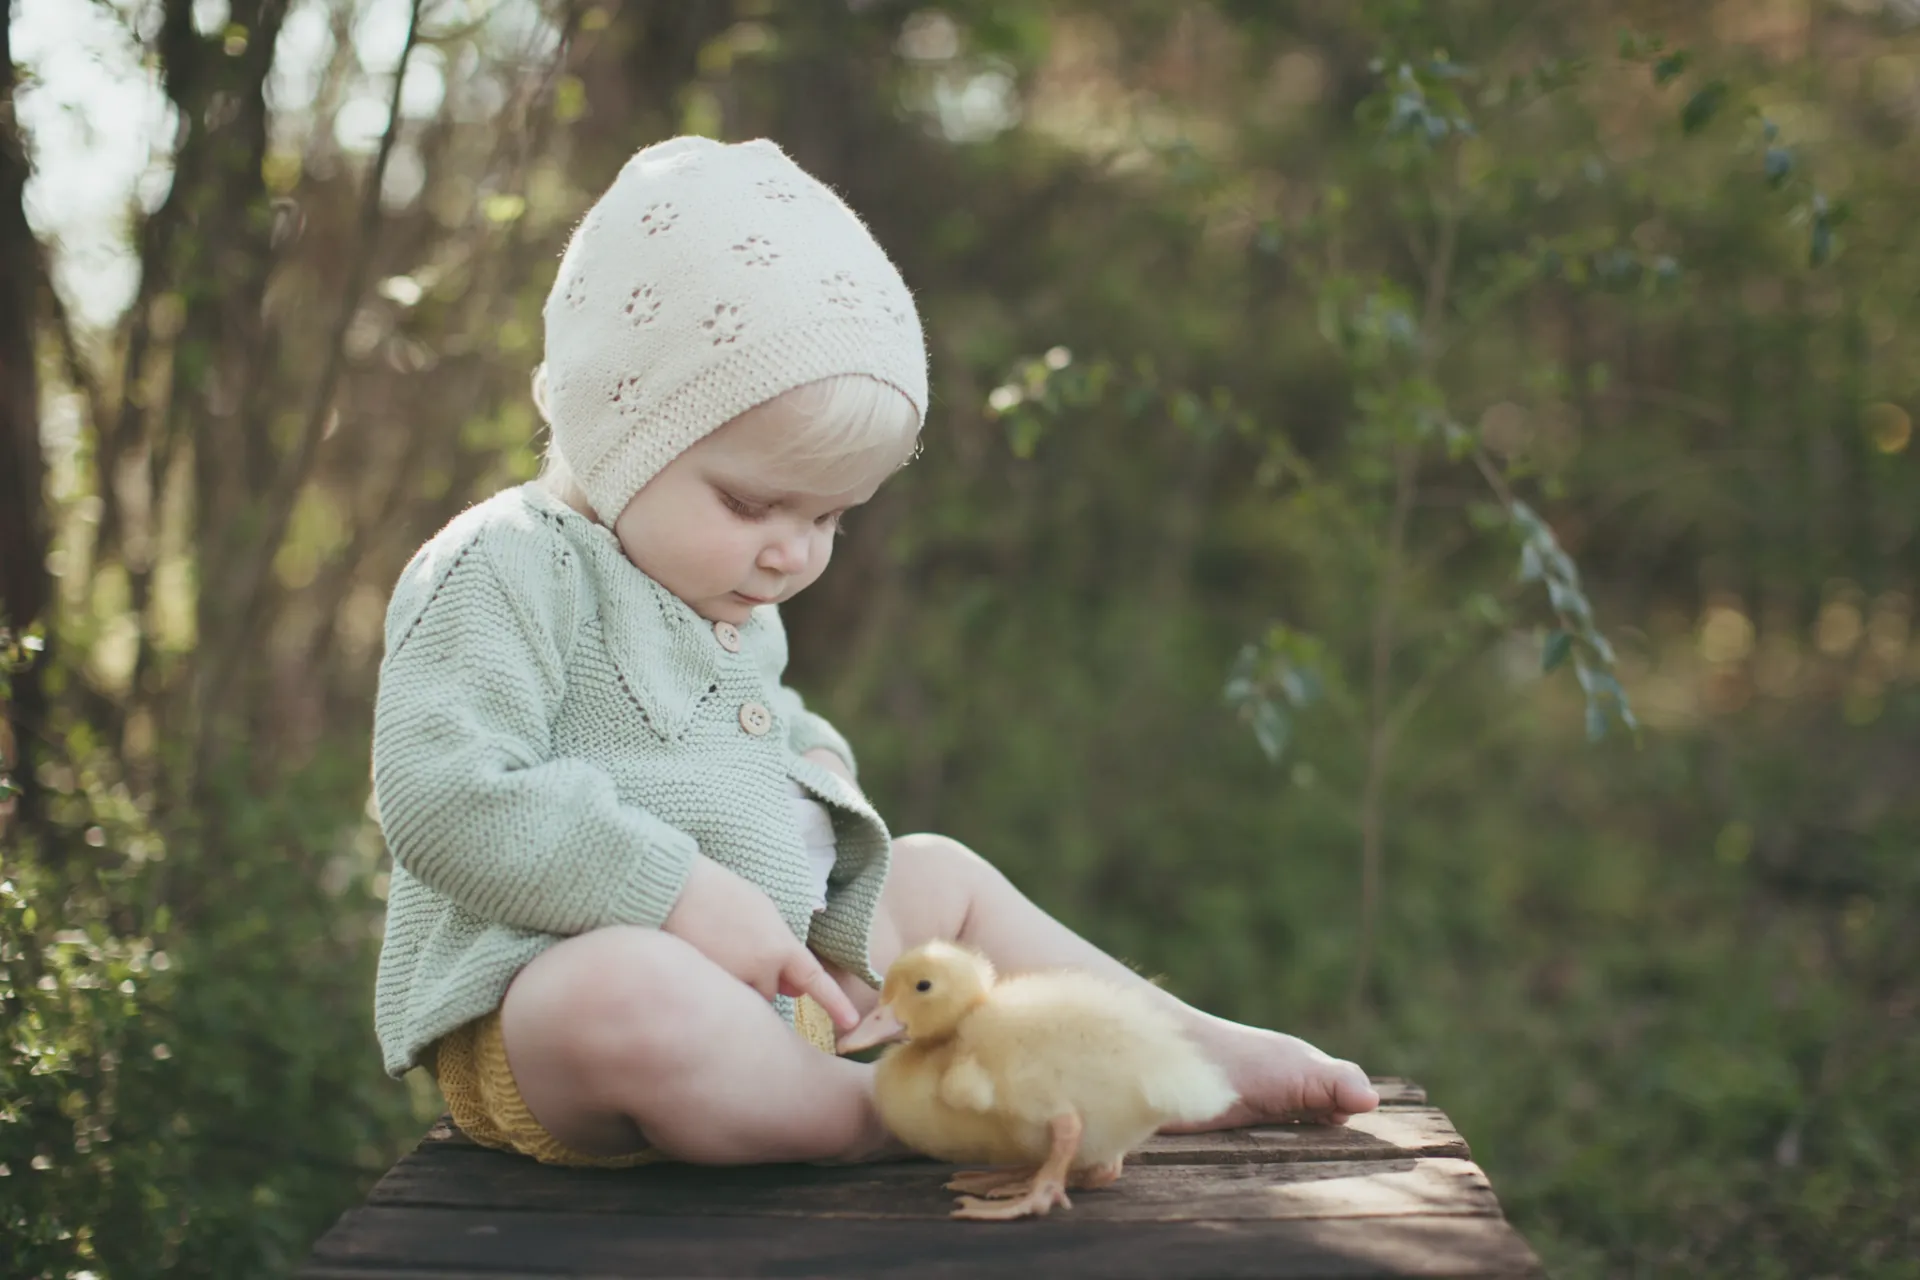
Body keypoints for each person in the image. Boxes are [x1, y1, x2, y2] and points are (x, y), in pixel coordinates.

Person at [370, 136, 1378, 1168]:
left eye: (831, 518)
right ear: (613, 424)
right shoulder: (504, 567)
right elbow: (440, 793)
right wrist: (670, 891)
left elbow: (752, 718)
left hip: (780, 993)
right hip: (554, 1018)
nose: (792, 550)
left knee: (941, 875)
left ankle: (1173, 1053)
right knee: (628, 986)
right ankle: (895, 1112)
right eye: (755, 502)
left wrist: (820, 767)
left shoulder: (716, 578)